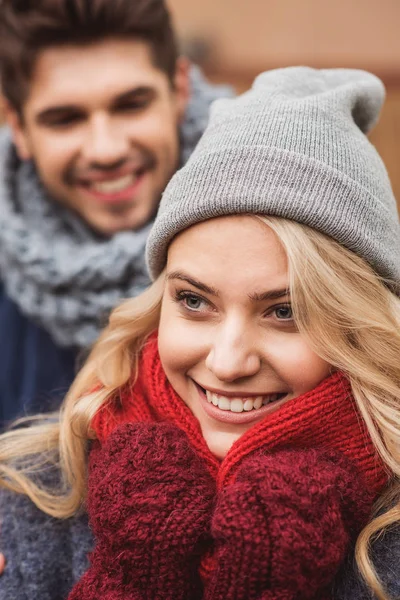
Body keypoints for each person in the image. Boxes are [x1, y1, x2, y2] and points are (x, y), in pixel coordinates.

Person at [1, 66, 400, 599]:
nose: (229, 362)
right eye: (194, 301)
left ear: (359, 325)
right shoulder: (31, 493)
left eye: (285, 312)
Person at [0, 0, 231, 425]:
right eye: (65, 119)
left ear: (179, 89)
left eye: (131, 105)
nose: (106, 150)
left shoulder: (278, 224)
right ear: (18, 128)